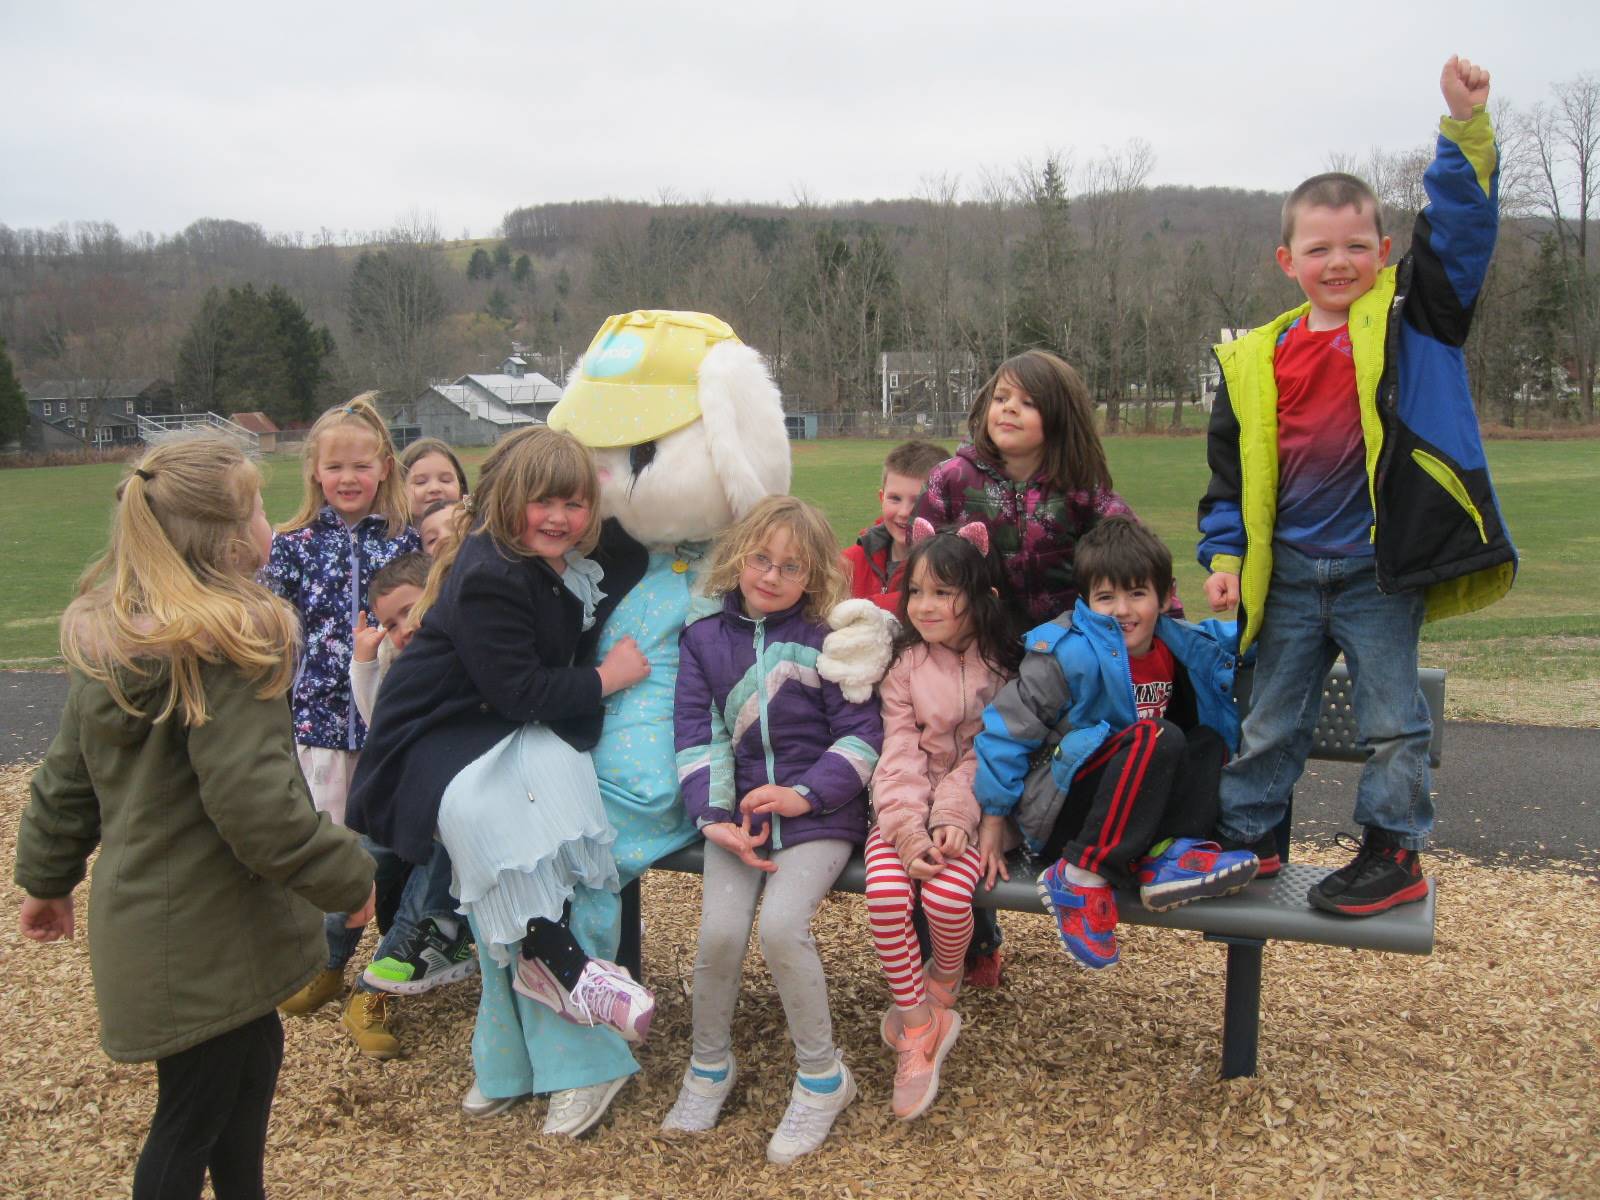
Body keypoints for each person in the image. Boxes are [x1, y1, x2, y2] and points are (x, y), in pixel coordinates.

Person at [14, 437, 375, 1200]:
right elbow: (257, 807)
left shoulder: (119, 636)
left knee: (248, 1071)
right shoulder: (227, 645)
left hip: (180, 931)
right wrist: (347, 875)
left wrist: (46, 878)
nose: (268, 522)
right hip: (201, 939)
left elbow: (65, 778)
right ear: (232, 536)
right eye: (256, 507)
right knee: (191, 1119)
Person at [1198, 56, 1516, 916]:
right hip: (1293, 571)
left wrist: (1464, 130)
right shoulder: (1255, 357)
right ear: (1286, 259)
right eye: (1318, 249)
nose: (1338, 263)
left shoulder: (1416, 321)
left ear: (1383, 252)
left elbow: (1459, 232)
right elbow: (1229, 476)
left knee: (1392, 722)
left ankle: (1392, 849)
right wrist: (1225, 554)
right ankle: (1252, 841)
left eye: (1355, 247)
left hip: (1381, 570)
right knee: (1270, 720)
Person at [347, 426, 656, 1136]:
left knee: (541, 838)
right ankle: (569, 974)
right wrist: (607, 678)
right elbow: (519, 690)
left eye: (575, 505)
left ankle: (535, 1035)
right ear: (504, 502)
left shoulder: (548, 561)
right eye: (541, 502)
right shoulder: (491, 573)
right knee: (513, 833)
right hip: (442, 738)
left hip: (484, 725)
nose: (558, 518)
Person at [915, 350, 1170, 986]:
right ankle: (967, 940)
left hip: (1056, 671)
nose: (1008, 409)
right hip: (975, 656)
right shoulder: (953, 479)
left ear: (1056, 417)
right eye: (1001, 396)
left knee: (1020, 779)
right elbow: (920, 564)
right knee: (949, 790)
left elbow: (1131, 567)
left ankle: (1070, 867)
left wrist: (1166, 632)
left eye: (1027, 402)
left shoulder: (1083, 492)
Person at [664, 495, 883, 1165]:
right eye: (761, 558)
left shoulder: (832, 641)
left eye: (790, 566)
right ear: (737, 557)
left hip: (820, 816)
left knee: (782, 928)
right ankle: (708, 1067)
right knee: (720, 934)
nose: (770, 574)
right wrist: (715, 817)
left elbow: (862, 739)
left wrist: (802, 793)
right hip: (741, 821)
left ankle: (823, 1079)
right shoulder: (703, 639)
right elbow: (699, 737)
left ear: (814, 577)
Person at [975, 516, 1258, 969]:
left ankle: (1168, 856)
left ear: (1165, 597)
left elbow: (1246, 639)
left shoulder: (1179, 644)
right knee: (1156, 735)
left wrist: (1274, 609)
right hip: (1069, 817)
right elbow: (1009, 728)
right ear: (1086, 600)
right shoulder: (1068, 651)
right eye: (1106, 597)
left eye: (1137, 594)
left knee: (1205, 740)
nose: (1122, 610)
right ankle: (1078, 877)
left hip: (1134, 818)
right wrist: (992, 817)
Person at [285, 553, 475, 1059]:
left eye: (409, 612)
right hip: (395, 797)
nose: (402, 629)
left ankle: (372, 994)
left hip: (440, 814)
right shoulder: (399, 660)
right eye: (391, 623)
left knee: (421, 894)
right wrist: (365, 662)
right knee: (359, 873)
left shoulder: (465, 652)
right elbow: (379, 723)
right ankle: (327, 966)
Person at [865, 520, 1020, 1120]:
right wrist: (905, 831)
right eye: (917, 592)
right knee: (883, 895)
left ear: (980, 597)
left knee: (951, 901)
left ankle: (943, 988)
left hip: (969, 814)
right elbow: (897, 752)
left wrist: (955, 816)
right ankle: (918, 1030)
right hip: (900, 813)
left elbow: (992, 752)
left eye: (943, 592)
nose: (924, 606)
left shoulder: (1004, 668)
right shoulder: (904, 665)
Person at [263, 394, 418, 827]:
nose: (348, 479)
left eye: (361, 467)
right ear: (315, 471)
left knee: (385, 843)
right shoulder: (292, 544)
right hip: (318, 725)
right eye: (334, 467)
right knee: (327, 840)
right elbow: (274, 631)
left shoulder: (405, 541)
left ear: (385, 468)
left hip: (389, 721)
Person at [841, 440, 950, 613]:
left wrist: (858, 610)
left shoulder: (949, 567)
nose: (904, 512)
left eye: (917, 501)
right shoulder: (852, 561)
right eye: (895, 499)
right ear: (881, 498)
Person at [400, 437, 469, 520]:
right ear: (400, 492)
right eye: (420, 482)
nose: (434, 488)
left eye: (445, 480)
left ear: (461, 488)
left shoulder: (476, 530)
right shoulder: (388, 531)